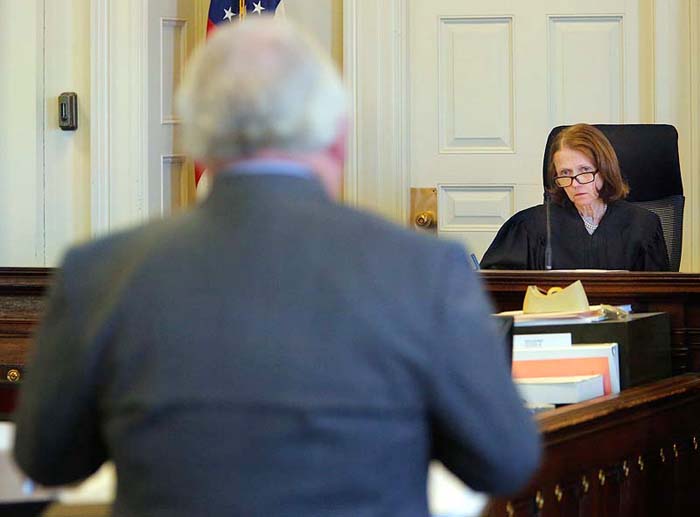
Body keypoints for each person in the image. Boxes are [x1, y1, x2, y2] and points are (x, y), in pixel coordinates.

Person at [13, 18, 540, 517]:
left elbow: (47, 459)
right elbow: (504, 458)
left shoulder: (100, 271)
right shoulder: (425, 270)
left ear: (194, 140)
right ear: (338, 136)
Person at [480, 123, 670, 271]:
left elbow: (658, 301)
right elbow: (499, 290)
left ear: (604, 170)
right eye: (565, 173)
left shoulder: (643, 226)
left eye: (585, 170)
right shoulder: (528, 226)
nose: (575, 183)